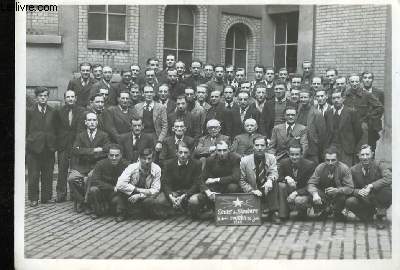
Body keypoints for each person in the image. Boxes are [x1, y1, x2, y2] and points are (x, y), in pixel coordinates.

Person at [68, 112, 110, 213]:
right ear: (85, 122)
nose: (92, 122)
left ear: (97, 122)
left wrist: (84, 151)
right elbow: (75, 150)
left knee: (90, 177)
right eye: (90, 120)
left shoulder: (104, 135)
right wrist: (94, 150)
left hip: (96, 166)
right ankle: (81, 201)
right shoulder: (80, 136)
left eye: (94, 120)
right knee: (71, 179)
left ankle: (87, 202)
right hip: (81, 166)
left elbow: (106, 150)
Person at [190, 140, 241, 218]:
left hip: (227, 188)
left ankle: (230, 211)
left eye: (224, 150)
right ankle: (209, 210)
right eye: (219, 150)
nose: (222, 153)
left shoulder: (235, 158)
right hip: (214, 189)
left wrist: (216, 179)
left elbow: (235, 177)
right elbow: (201, 179)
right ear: (216, 150)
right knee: (193, 200)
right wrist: (208, 192)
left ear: (229, 150)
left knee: (233, 187)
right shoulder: (210, 160)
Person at [345, 145, 391, 229]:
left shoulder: (379, 165)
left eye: (367, 154)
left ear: (372, 154)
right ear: (358, 155)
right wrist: (357, 191)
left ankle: (380, 214)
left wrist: (371, 185)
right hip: (364, 199)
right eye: (362, 155)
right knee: (350, 201)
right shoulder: (353, 170)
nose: (365, 157)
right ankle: (367, 216)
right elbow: (348, 187)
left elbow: (389, 178)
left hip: (378, 196)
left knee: (387, 191)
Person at [26, 87, 57, 206]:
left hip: (48, 148)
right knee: (33, 175)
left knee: (48, 174)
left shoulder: (53, 111)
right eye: (40, 96)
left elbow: (56, 128)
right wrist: (29, 142)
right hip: (34, 149)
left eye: (45, 95)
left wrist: (53, 145)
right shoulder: (29, 111)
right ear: (36, 97)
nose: (43, 98)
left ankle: (46, 197)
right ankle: (33, 198)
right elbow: (25, 129)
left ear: (48, 97)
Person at [154, 142, 202, 218]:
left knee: (194, 201)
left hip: (189, 192)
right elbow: (165, 183)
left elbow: (196, 184)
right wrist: (171, 196)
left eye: (186, 153)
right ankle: (173, 209)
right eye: (180, 152)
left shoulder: (197, 164)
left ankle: (189, 211)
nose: (183, 155)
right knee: (159, 201)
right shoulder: (168, 164)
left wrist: (185, 195)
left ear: (189, 154)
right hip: (174, 192)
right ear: (176, 153)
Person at [239, 136, 281, 224]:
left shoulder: (271, 158)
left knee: (274, 182)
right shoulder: (245, 161)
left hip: (266, 188)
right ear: (253, 146)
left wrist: (269, 180)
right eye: (257, 145)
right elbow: (241, 180)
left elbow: (274, 173)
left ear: (266, 146)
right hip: (253, 189)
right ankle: (256, 211)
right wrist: (252, 190)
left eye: (262, 145)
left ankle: (274, 212)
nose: (259, 148)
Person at [113, 148, 161, 222]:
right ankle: (121, 213)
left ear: (153, 159)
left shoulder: (157, 169)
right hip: (131, 192)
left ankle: (142, 213)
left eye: (149, 159)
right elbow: (119, 184)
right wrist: (137, 190)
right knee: (120, 192)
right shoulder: (132, 167)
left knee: (150, 201)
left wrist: (140, 195)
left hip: (146, 194)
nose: (147, 161)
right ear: (139, 158)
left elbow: (156, 190)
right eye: (144, 159)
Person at [307, 146, 354, 221]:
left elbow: (350, 188)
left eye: (333, 160)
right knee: (311, 194)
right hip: (324, 195)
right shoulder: (320, 168)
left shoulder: (344, 168)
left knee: (343, 197)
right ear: (324, 159)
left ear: (338, 159)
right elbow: (311, 183)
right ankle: (325, 210)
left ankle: (337, 212)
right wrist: (315, 194)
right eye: (327, 160)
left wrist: (338, 190)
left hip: (338, 196)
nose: (330, 163)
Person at [55, 90, 85, 202]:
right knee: (62, 171)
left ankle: (74, 195)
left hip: (76, 145)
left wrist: (78, 144)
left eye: (72, 96)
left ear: (76, 98)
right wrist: (58, 144)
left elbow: (81, 129)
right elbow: (56, 128)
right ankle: (61, 194)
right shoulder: (59, 111)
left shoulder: (82, 111)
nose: (70, 99)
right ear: (65, 99)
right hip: (63, 145)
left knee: (75, 171)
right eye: (68, 97)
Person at [86, 144, 130, 219]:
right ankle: (97, 212)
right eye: (111, 155)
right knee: (93, 189)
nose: (114, 158)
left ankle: (120, 213)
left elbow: (130, 181)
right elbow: (95, 181)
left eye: (117, 155)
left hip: (117, 194)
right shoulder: (100, 164)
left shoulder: (126, 165)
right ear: (108, 155)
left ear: (121, 155)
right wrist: (112, 187)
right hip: (103, 192)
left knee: (123, 195)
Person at [344, 73, 383, 149]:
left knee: (362, 148)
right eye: (352, 82)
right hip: (349, 126)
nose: (354, 84)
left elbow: (379, 107)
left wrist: (369, 117)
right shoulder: (346, 95)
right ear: (349, 82)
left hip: (362, 127)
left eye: (356, 81)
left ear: (360, 82)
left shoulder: (366, 94)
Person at [277, 143, 316, 220]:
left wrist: (296, 193)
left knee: (299, 201)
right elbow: (278, 178)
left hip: (303, 192)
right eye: (292, 154)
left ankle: (303, 211)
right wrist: (286, 178)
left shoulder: (309, 165)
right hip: (290, 189)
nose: (294, 157)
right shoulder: (283, 163)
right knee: (281, 185)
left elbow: (311, 185)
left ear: (301, 154)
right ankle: (283, 214)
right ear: (288, 154)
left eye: (297, 154)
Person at [325, 90, 362, 167]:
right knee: (332, 168)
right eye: (334, 98)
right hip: (332, 147)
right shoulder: (328, 113)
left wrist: (350, 143)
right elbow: (327, 131)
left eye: (338, 98)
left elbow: (358, 132)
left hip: (346, 148)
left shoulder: (351, 112)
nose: (336, 100)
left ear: (343, 98)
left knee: (346, 170)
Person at [133, 85, 168, 154]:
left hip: (155, 136)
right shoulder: (137, 107)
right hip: (141, 136)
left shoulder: (161, 107)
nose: (149, 94)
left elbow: (165, 126)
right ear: (143, 94)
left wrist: (160, 141)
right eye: (146, 92)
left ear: (154, 94)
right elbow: (134, 124)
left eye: (151, 92)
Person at [296, 89, 327, 163]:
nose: (303, 99)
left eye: (305, 97)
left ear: (310, 98)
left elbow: (322, 135)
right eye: (301, 97)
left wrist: (318, 148)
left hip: (312, 149)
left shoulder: (317, 114)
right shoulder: (299, 110)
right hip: (300, 146)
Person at [360, 71, 384, 154]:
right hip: (362, 126)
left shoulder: (379, 93)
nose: (367, 80)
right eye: (365, 78)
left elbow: (382, 108)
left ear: (372, 80)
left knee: (373, 148)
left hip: (375, 126)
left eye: (369, 78)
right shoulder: (359, 93)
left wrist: (372, 117)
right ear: (362, 80)